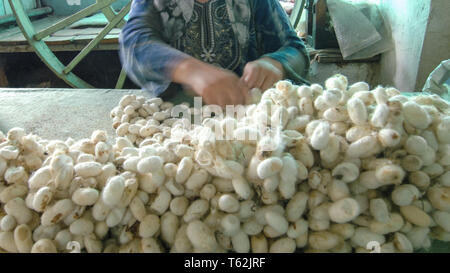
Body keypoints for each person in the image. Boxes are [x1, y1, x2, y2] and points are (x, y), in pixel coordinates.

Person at [119, 0, 309, 107]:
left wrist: (275, 64)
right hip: (175, 119)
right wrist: (189, 70)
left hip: (247, 118)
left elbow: (295, 49)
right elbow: (134, 44)